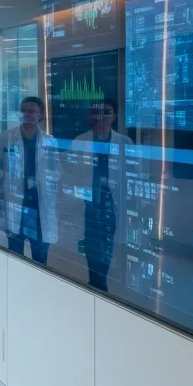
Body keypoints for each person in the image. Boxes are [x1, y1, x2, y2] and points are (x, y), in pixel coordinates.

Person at [0, 95, 60, 266]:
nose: (27, 114)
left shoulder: (50, 142)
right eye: (23, 110)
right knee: (14, 252)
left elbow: (56, 173)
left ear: (40, 115)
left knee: (41, 254)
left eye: (32, 111)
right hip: (15, 200)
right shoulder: (6, 137)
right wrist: (5, 181)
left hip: (39, 203)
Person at [72, 98, 131, 291]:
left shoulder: (124, 143)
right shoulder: (80, 141)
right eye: (96, 112)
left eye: (106, 112)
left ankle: (101, 282)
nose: (101, 117)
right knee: (91, 242)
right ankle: (96, 282)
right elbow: (72, 174)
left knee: (109, 244)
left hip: (112, 204)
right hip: (89, 204)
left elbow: (132, 177)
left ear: (113, 116)